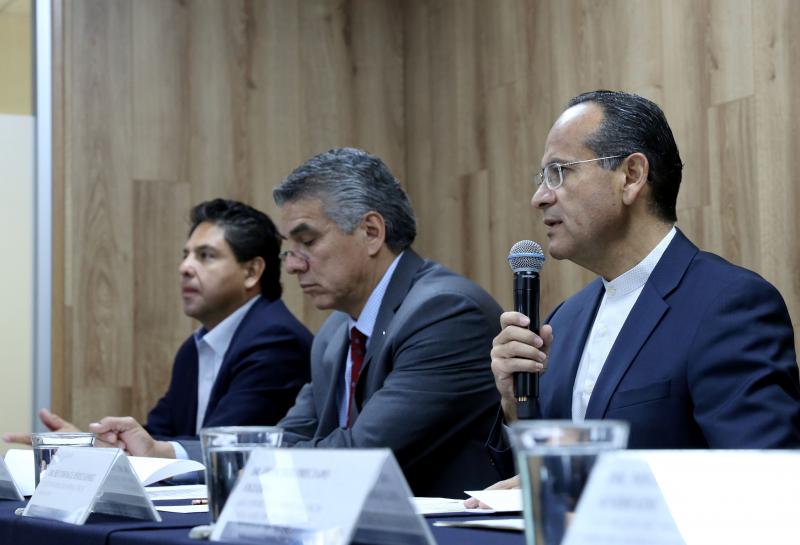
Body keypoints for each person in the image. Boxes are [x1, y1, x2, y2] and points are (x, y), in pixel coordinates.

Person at [88, 148, 503, 498]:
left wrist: (244, 466)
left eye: (307, 242)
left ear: (371, 232)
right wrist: (165, 454)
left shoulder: (445, 313)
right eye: (290, 248)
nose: (292, 265)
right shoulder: (335, 334)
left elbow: (360, 453)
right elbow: (285, 438)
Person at [483, 90, 800, 487]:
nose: (539, 198)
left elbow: (765, 482)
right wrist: (515, 407)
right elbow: (531, 485)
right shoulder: (562, 322)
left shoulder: (729, 305)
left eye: (559, 172)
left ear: (631, 176)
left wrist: (594, 485)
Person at [4, 199, 313, 455]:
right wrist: (90, 446)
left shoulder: (276, 342)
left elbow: (226, 450)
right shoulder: (195, 348)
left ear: (251, 271)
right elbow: (156, 437)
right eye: (186, 255)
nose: (185, 267)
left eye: (206, 256)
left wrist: (133, 449)